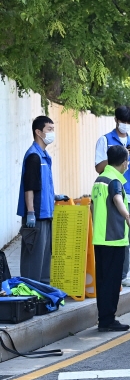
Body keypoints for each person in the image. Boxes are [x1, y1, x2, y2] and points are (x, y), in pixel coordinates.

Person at [17, 116, 69, 284]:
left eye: (53, 129)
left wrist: (55, 197)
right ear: (38, 132)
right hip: (36, 217)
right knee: (34, 261)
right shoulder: (34, 157)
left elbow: (42, 185)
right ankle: (29, 298)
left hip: (46, 215)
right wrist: (30, 212)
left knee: (45, 259)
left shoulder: (44, 156)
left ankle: (42, 296)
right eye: (49, 129)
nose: (52, 133)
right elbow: (29, 187)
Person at [95, 106, 130, 288]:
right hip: (109, 192)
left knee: (126, 236)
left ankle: (123, 274)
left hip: (129, 193)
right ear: (116, 120)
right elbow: (99, 167)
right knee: (109, 233)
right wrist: (121, 155)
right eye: (123, 122)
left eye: (129, 122)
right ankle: (108, 272)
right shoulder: (105, 140)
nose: (126, 126)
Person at [91, 145, 130, 332]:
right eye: (128, 161)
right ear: (124, 163)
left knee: (103, 281)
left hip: (99, 239)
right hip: (114, 238)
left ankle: (104, 319)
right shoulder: (115, 181)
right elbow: (117, 199)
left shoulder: (99, 179)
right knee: (113, 281)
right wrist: (127, 216)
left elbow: (93, 207)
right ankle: (108, 320)